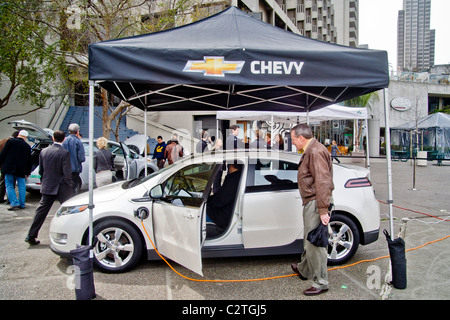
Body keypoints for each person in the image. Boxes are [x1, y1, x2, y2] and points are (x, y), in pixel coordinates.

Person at [290, 124, 334, 296]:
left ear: (301, 138)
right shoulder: (312, 149)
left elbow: (323, 182)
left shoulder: (315, 152)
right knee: (310, 239)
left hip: (316, 203)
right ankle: (304, 270)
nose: (292, 142)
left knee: (315, 243)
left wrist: (323, 210)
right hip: (313, 202)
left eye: (293, 139)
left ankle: (321, 282)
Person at [25, 131, 73, 245]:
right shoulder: (64, 153)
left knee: (41, 211)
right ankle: (71, 235)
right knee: (69, 211)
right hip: (61, 186)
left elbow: (41, 170)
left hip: (48, 184)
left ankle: (31, 235)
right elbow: (67, 172)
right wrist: (69, 184)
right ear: (64, 139)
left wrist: (43, 182)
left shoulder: (44, 151)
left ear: (53, 138)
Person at [0, 130, 32, 210]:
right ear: (25, 137)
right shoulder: (27, 146)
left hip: (9, 168)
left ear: (19, 135)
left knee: (9, 185)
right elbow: (29, 160)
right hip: (21, 170)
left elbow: (3, 154)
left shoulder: (10, 142)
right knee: (22, 186)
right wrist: (28, 171)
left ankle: (14, 202)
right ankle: (22, 204)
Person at [206, 163, 242, 230]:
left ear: (232, 166)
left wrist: (207, 204)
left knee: (201, 214)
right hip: (229, 211)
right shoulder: (238, 177)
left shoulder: (233, 180)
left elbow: (220, 200)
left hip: (224, 215)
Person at [62, 123, 85, 194]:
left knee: (66, 189)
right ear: (77, 131)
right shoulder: (78, 142)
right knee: (73, 189)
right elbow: (81, 158)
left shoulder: (64, 141)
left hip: (65, 169)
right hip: (75, 169)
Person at [0, 131, 19, 204]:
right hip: (11, 167)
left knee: (2, 183)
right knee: (11, 184)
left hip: (3, 166)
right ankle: (9, 199)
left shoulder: (2, 141)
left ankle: (0, 198)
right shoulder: (13, 143)